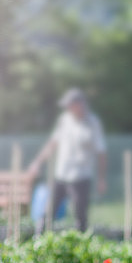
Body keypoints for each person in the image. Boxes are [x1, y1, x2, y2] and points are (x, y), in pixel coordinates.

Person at [27, 88, 107, 233]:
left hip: (81, 176)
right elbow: (52, 143)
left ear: (79, 104)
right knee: (48, 212)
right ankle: (37, 241)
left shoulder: (93, 123)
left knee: (80, 216)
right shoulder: (64, 120)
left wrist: (102, 179)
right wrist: (37, 162)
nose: (68, 108)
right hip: (61, 175)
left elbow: (101, 152)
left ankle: (80, 247)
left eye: (70, 105)